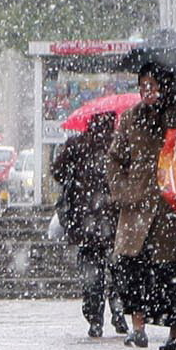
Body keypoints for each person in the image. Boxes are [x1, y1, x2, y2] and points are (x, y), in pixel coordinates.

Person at [107, 66, 176, 350]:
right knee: (132, 268)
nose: (148, 92)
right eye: (143, 86)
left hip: (174, 209)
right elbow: (115, 160)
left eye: (153, 85)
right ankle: (138, 328)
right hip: (139, 209)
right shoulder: (131, 119)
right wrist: (125, 191)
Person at [52, 113, 126, 338]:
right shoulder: (118, 146)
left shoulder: (77, 146)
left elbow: (58, 173)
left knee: (93, 276)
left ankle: (95, 318)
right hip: (113, 225)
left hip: (86, 226)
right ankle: (119, 312)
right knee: (118, 272)